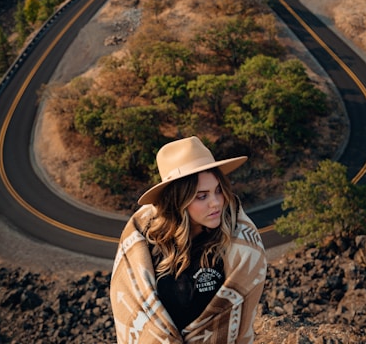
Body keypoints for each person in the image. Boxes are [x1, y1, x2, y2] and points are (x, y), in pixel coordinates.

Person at [110, 136, 267, 343]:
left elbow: (236, 322)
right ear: (178, 201)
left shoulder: (235, 245)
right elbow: (132, 312)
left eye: (218, 191)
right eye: (202, 196)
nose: (216, 203)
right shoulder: (146, 245)